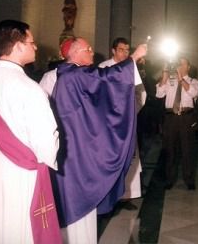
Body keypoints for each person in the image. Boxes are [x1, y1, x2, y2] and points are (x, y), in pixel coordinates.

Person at [50, 36, 147, 244]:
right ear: (75, 52)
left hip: (76, 150)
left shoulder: (69, 75)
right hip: (78, 156)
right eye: (88, 49)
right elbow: (104, 79)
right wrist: (134, 58)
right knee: (81, 209)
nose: (93, 52)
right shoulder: (73, 75)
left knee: (83, 214)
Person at [0, 20, 61, 243]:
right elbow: (46, 141)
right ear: (18, 44)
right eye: (32, 42)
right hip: (21, 173)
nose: (36, 47)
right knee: (18, 230)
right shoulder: (29, 88)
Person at [99, 36, 146, 202]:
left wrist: (131, 113)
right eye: (121, 50)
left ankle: (125, 196)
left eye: (127, 50)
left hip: (126, 122)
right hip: (108, 124)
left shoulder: (131, 67)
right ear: (113, 50)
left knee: (129, 156)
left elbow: (140, 94)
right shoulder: (104, 67)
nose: (125, 53)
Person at [156, 57, 198, 190]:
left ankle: (189, 179)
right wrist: (165, 72)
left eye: (182, 64)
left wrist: (181, 79)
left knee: (188, 149)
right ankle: (169, 179)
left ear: (188, 67)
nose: (179, 66)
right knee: (169, 149)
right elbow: (159, 94)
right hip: (171, 118)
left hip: (186, 118)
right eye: (178, 64)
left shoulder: (194, 81)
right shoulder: (169, 80)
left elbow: (193, 93)